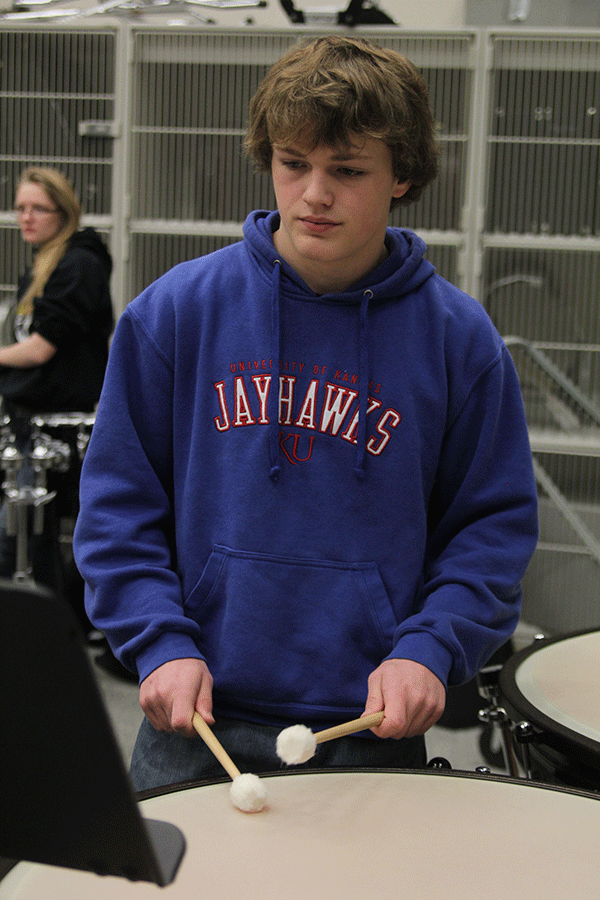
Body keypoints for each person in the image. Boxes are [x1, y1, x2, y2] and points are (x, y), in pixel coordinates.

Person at [74, 35, 539, 790]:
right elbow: (118, 506)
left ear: (403, 177)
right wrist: (159, 641)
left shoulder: (460, 342)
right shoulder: (175, 314)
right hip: (196, 724)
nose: (314, 193)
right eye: (294, 165)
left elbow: (489, 530)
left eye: (348, 171)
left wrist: (430, 648)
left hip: (370, 730)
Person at [0, 167, 113, 618]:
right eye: (20, 208)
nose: (26, 217)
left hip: (56, 425)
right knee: (28, 534)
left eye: (37, 209)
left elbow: (40, 348)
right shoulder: (44, 262)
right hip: (26, 420)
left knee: (26, 535)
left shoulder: (77, 263)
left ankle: (49, 630)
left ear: (63, 212)